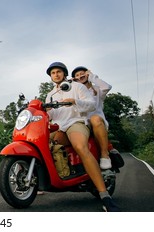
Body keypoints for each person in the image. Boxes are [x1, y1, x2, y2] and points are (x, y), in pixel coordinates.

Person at [45, 62, 120, 212]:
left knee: (80, 147)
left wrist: (75, 102)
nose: (56, 75)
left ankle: (104, 195)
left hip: (76, 122)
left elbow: (91, 104)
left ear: (64, 74)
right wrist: (46, 110)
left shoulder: (77, 87)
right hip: (59, 126)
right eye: (53, 73)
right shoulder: (50, 95)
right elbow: (51, 115)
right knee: (41, 143)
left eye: (58, 71)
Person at [71, 66, 112, 170]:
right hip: (80, 123)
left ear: (87, 74)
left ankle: (104, 154)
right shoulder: (74, 91)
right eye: (77, 75)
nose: (80, 76)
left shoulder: (97, 90)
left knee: (95, 118)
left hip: (97, 123)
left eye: (82, 73)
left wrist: (92, 77)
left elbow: (107, 87)